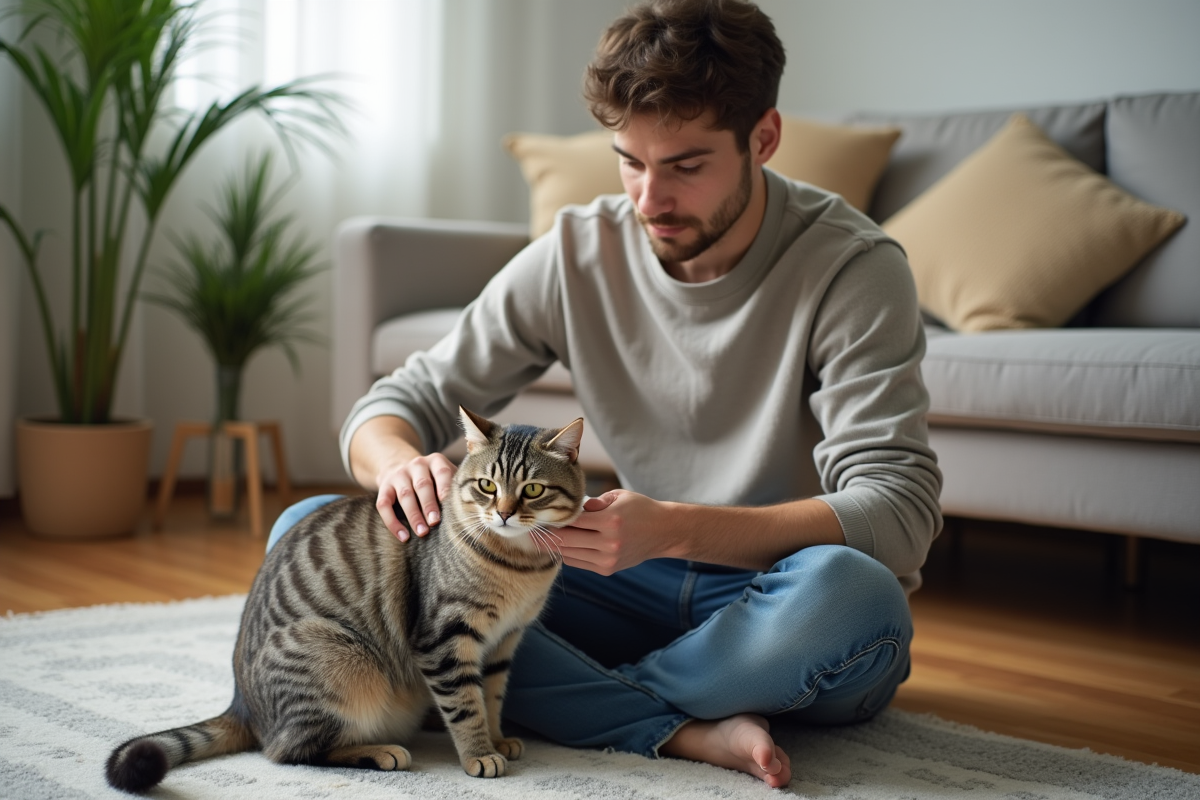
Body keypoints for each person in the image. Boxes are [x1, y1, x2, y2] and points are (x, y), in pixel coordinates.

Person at [276, 0, 941, 788]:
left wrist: (675, 529)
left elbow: (899, 513)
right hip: (613, 579)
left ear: (763, 138)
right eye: (630, 161)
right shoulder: (576, 251)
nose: (649, 199)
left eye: (686, 166)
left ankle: (587, 702)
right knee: (309, 531)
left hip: (776, 594)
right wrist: (399, 466)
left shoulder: (854, 267)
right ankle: (681, 725)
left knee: (855, 598)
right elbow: (396, 402)